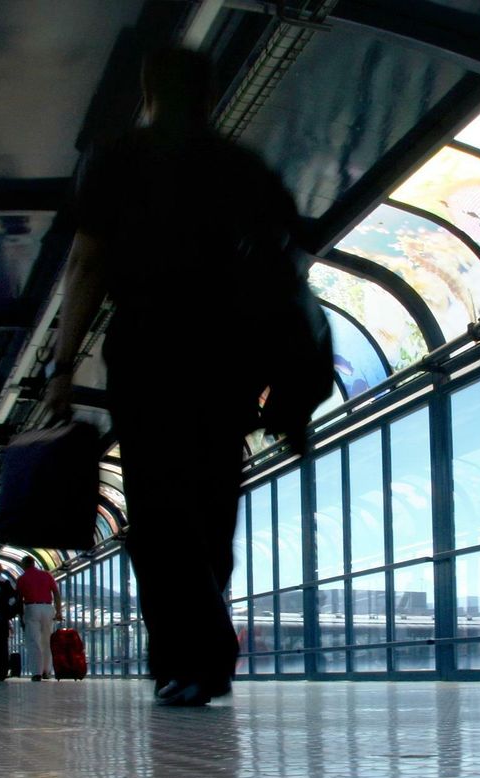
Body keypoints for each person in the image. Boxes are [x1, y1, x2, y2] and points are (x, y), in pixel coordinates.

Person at [45, 47, 301, 706]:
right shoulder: (244, 170)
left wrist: (63, 366)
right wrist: (284, 371)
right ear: (212, 95)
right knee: (213, 504)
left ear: (147, 87)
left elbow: (87, 264)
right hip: (230, 360)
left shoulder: (119, 160)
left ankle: (188, 658)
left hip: (150, 353)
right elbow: (285, 275)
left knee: (160, 508)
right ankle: (197, 656)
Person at [15, 557, 62, 681]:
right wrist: (59, 611)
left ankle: (37, 672)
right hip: (47, 608)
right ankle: (47, 671)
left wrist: (20, 616)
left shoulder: (22, 579)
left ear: (24, 565)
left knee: (33, 641)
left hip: (31, 608)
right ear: (34, 563)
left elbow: (18, 599)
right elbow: (56, 593)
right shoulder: (47, 575)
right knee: (47, 641)